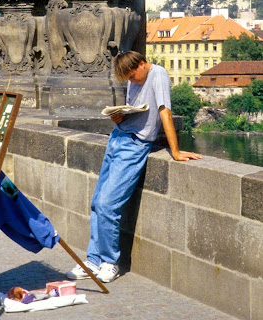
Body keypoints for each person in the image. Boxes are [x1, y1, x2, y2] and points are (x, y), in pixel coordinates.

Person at [66, 51, 201, 283]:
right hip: (117, 138)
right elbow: (136, 110)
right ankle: (93, 260)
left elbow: (164, 112)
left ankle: (110, 262)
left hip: (134, 146)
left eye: (132, 77)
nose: (132, 81)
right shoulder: (135, 78)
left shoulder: (158, 74)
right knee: (97, 203)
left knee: (108, 205)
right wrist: (119, 117)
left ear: (141, 64)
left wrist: (176, 152)